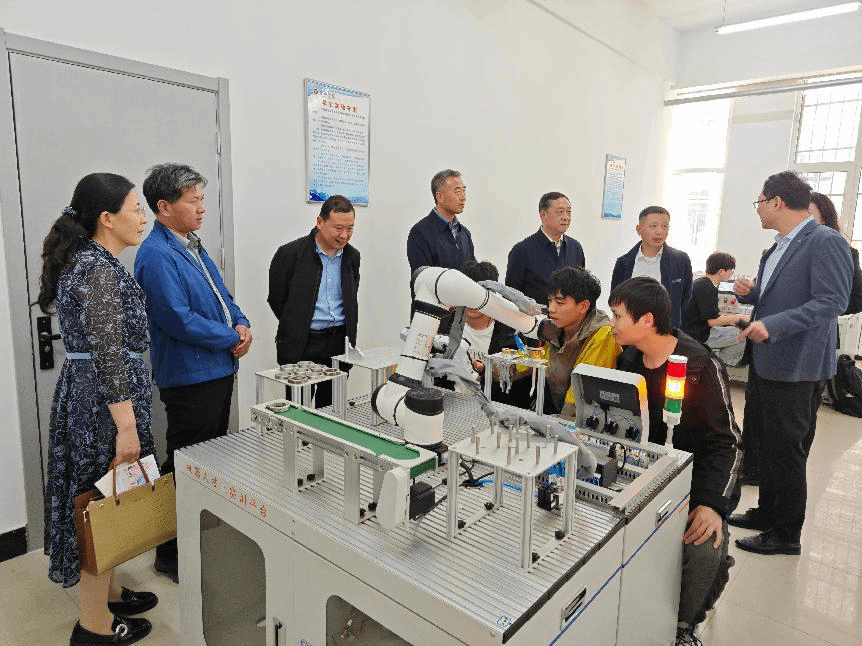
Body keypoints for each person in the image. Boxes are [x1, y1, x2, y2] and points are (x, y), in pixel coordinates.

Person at [39, 173, 156, 645]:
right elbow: (108, 353)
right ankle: (95, 626)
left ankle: (110, 593)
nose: (143, 217)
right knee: (97, 508)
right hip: (103, 407)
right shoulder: (97, 269)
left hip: (94, 398)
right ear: (107, 218)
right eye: (136, 208)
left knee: (107, 497)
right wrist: (126, 427)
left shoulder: (92, 261)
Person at [135, 163, 252, 582]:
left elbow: (223, 297)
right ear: (164, 207)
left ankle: (198, 541)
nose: (202, 208)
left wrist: (242, 323)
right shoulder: (156, 254)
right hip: (189, 377)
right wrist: (229, 336)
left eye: (202, 199)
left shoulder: (192, 245)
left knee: (210, 460)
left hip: (217, 369)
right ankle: (170, 553)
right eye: (193, 200)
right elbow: (177, 319)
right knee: (184, 464)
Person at [608, 277, 741, 645]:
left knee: (702, 550)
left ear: (647, 320)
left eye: (617, 316)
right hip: (642, 473)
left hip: (697, 483)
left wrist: (711, 505)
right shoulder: (629, 359)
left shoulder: (700, 365)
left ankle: (683, 625)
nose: (611, 324)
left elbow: (728, 443)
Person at [729, 172, 852, 556]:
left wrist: (774, 325)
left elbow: (832, 301)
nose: (758, 210)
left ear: (777, 202)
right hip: (767, 361)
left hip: (797, 365)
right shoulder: (777, 247)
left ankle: (786, 533)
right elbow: (783, 297)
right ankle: (767, 512)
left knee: (787, 451)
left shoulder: (825, 241)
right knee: (767, 445)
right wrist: (752, 295)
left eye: (760, 202)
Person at [268, 195, 360, 407]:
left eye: (350, 229)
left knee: (332, 409)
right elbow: (277, 299)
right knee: (298, 409)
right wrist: (297, 323)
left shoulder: (352, 257)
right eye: (338, 228)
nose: (344, 235)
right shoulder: (290, 254)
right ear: (320, 222)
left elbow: (351, 297)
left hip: (339, 342)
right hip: (304, 342)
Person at [542, 267, 621, 418]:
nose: (551, 309)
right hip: (554, 416)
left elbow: (579, 397)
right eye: (550, 300)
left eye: (560, 302)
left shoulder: (604, 335)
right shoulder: (555, 329)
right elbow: (533, 361)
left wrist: (556, 426)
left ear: (584, 306)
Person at [407, 169, 475, 332]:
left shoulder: (464, 233)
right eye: (457, 191)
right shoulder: (420, 232)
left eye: (464, 190)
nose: (463, 197)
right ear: (440, 196)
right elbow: (423, 281)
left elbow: (472, 273)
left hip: (461, 322)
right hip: (431, 322)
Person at [611, 206, 692, 328]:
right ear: (639, 230)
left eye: (665, 226)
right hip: (631, 329)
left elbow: (685, 298)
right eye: (653, 226)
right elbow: (616, 299)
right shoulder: (624, 262)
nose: (659, 232)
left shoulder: (680, 260)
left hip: (665, 330)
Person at [505, 191, 585, 306]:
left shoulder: (575, 248)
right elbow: (511, 297)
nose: (566, 217)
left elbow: (581, 289)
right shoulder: (522, 250)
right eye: (560, 212)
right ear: (543, 215)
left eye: (569, 212)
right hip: (535, 316)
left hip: (569, 317)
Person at [681, 252, 749, 366]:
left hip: (689, 332)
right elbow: (712, 321)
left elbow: (711, 315)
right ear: (721, 271)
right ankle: (721, 360)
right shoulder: (707, 287)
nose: (731, 275)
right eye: (731, 271)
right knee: (746, 333)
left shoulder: (699, 283)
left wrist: (731, 319)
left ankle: (714, 357)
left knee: (734, 329)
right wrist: (739, 317)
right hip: (699, 336)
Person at [809, 192, 862, 315]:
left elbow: (858, 300)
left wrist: (817, 311)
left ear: (824, 219)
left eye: (808, 215)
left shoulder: (846, 253)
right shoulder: (784, 249)